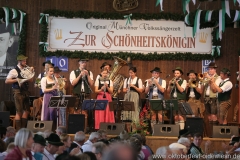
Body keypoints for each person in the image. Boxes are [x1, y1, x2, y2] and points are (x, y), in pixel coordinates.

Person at [5, 54, 34, 130]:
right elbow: (7, 81)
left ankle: (23, 129)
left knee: (27, 111)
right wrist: (17, 80)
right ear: (19, 61)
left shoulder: (26, 69)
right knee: (19, 111)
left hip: (25, 91)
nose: (25, 62)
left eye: (25, 60)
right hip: (17, 91)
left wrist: (30, 73)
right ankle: (18, 130)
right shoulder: (14, 71)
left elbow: (31, 80)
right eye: (24, 61)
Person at [69, 58, 94, 130]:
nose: (84, 64)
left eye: (85, 62)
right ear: (79, 63)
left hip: (86, 94)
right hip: (77, 94)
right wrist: (80, 75)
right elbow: (73, 83)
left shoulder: (89, 72)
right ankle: (76, 127)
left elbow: (91, 84)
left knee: (86, 111)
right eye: (82, 62)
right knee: (76, 110)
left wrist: (87, 75)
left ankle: (86, 127)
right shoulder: (73, 72)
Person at [202, 62, 221, 136]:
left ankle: (215, 134)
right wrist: (203, 79)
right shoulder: (207, 78)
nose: (209, 70)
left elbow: (214, 90)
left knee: (214, 116)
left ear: (215, 70)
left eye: (211, 69)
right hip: (206, 97)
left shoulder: (218, 77)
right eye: (209, 69)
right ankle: (210, 134)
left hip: (213, 98)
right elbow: (202, 88)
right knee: (209, 116)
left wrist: (209, 79)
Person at [144, 67, 166, 131]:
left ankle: (160, 130)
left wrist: (156, 83)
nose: (155, 74)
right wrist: (148, 84)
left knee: (160, 116)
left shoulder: (163, 81)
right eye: (153, 73)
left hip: (159, 100)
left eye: (156, 73)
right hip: (152, 99)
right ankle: (154, 131)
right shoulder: (148, 80)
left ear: (159, 74)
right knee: (153, 116)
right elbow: (146, 91)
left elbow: (162, 90)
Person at [123, 67, 143, 131]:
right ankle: (128, 130)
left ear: (135, 73)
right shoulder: (127, 80)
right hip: (127, 96)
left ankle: (134, 130)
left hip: (135, 96)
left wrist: (134, 86)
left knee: (134, 113)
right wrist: (127, 88)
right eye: (129, 73)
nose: (130, 74)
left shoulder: (138, 80)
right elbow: (123, 90)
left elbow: (141, 90)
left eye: (132, 73)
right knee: (127, 113)